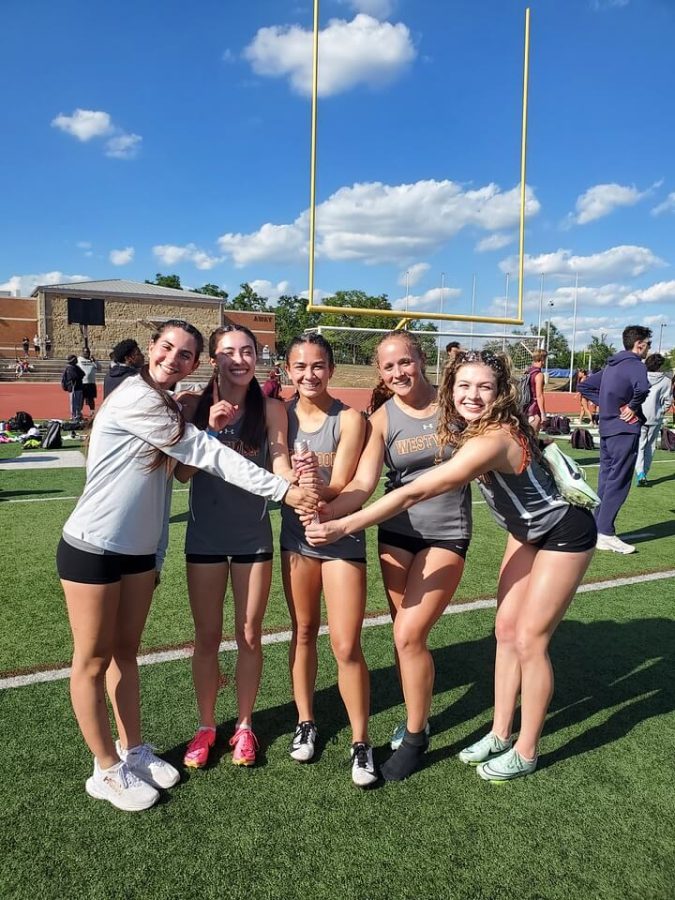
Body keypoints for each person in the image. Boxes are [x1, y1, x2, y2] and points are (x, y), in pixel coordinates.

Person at [56, 319, 315, 812]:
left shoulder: (170, 403)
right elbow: (201, 453)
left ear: (195, 363)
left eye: (184, 354)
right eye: (167, 348)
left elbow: (158, 493)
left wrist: (154, 556)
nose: (172, 359)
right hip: (93, 544)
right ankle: (106, 768)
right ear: (150, 348)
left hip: (137, 553)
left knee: (125, 654)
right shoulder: (138, 397)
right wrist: (283, 490)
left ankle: (133, 750)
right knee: (91, 660)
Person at [307, 350, 597, 783]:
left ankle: (526, 749)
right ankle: (500, 733)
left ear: (500, 392)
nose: (472, 395)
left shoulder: (489, 440)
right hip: (524, 531)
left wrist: (343, 525)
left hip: (563, 531)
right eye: (464, 386)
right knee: (505, 631)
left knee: (529, 639)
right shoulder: (472, 425)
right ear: (451, 388)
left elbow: (415, 492)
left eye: (484, 387)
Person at [305, 331, 472, 781]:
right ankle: (417, 715)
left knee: (409, 634)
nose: (398, 372)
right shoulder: (380, 419)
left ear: (422, 359)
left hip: (447, 535)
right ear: (379, 372)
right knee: (404, 636)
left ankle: (415, 738)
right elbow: (363, 483)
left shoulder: (455, 405)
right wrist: (328, 510)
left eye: (405, 362)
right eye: (388, 366)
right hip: (396, 536)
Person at [174, 325, 295, 769]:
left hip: (252, 537)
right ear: (213, 360)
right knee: (206, 637)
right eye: (229, 352)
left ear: (257, 358)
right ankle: (206, 725)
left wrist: (294, 480)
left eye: (247, 351)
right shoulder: (193, 405)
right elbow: (181, 474)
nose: (239, 359)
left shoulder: (272, 408)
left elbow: (279, 460)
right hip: (205, 537)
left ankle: (244, 725)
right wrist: (207, 431)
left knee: (248, 634)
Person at [281, 333, 377, 787]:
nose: (309, 374)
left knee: (345, 644)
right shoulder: (279, 414)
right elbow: (275, 469)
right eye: (300, 366)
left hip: (340, 536)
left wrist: (314, 486)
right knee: (302, 631)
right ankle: (306, 721)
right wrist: (294, 482)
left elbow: (341, 483)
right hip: (296, 537)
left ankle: (361, 741)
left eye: (318, 366)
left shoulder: (350, 418)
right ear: (287, 370)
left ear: (331, 369)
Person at [578, 325, 651, 554]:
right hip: (624, 430)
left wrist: (608, 404)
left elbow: (584, 386)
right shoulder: (635, 364)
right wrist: (631, 406)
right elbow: (643, 388)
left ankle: (597, 529)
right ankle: (606, 532)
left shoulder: (612, 365)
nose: (648, 348)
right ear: (639, 344)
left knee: (606, 479)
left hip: (607, 429)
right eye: (647, 344)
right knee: (618, 481)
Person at [635, 353, 673, 486]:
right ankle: (644, 473)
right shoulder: (666, 381)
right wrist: (661, 411)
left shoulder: (640, 376)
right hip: (655, 418)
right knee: (650, 447)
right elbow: (668, 401)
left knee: (639, 446)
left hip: (640, 415)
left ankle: (639, 472)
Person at [523, 349, 547, 435]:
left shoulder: (528, 371)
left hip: (526, 407)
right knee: (533, 437)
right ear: (542, 359)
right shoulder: (539, 375)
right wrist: (543, 414)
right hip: (534, 408)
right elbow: (539, 395)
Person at [77, 348, 101, 414]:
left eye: (88, 352)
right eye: (85, 352)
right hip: (82, 383)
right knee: (81, 399)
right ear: (82, 352)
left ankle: (92, 411)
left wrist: (94, 361)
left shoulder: (92, 360)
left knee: (91, 399)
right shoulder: (79, 360)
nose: (87, 353)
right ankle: (79, 412)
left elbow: (99, 368)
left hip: (91, 383)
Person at [62, 355, 85, 420]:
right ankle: (74, 416)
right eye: (75, 359)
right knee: (74, 403)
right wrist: (79, 375)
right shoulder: (70, 368)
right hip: (73, 388)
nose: (77, 360)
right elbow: (75, 376)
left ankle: (78, 414)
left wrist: (79, 375)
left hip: (79, 387)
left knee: (79, 402)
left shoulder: (76, 367)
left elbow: (83, 374)